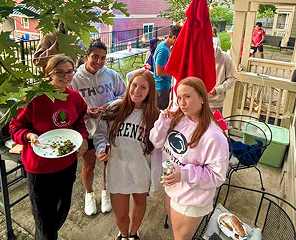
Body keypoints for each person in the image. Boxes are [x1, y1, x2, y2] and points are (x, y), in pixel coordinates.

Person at [9, 55, 89, 240]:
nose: (66, 76)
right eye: (59, 72)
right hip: (40, 167)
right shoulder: (33, 99)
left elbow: (79, 124)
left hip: (67, 164)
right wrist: (28, 136)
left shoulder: (75, 98)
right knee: (44, 220)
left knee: (62, 210)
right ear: (48, 74)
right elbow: (14, 128)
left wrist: (83, 139)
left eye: (70, 71)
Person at [150, 77, 229, 240]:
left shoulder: (214, 137)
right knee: (175, 229)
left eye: (187, 96)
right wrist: (164, 120)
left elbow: (218, 176)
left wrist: (183, 174)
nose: (182, 102)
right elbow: (155, 141)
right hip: (173, 187)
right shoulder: (177, 118)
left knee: (180, 237)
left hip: (191, 197)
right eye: (179, 97)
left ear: (202, 98)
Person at [94, 70, 160, 240]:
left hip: (141, 170)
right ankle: (123, 235)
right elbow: (100, 134)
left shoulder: (154, 116)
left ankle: (133, 234)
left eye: (143, 87)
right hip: (117, 169)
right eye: (134, 85)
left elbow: (159, 146)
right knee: (121, 213)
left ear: (150, 91)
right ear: (128, 85)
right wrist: (102, 149)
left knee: (139, 203)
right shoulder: (115, 108)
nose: (137, 91)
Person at [71, 41, 126, 216]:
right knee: (88, 164)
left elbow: (123, 95)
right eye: (95, 57)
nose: (99, 61)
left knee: (107, 162)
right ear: (87, 56)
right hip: (87, 129)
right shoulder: (75, 79)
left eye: (103, 58)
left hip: (108, 127)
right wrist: (85, 110)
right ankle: (89, 194)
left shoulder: (111, 75)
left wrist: (110, 104)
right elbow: (70, 103)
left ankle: (105, 191)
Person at [153, 25, 182, 110]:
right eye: (179, 40)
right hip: (162, 87)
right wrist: (176, 70)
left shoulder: (166, 47)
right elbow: (159, 72)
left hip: (165, 85)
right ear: (174, 37)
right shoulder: (163, 50)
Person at [208, 39, 237, 114]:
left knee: (214, 124)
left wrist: (218, 90)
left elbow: (232, 78)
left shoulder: (225, 58)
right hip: (198, 101)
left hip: (215, 103)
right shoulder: (197, 55)